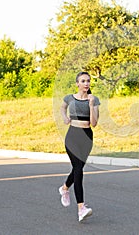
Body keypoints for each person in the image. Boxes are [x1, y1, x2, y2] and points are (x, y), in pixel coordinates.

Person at [59, 71, 100, 222]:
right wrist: (64, 117)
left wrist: (91, 105)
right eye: (83, 81)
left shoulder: (94, 100)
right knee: (78, 170)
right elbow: (62, 108)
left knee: (78, 169)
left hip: (87, 137)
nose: (86, 83)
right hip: (73, 136)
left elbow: (94, 123)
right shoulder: (70, 98)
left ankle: (64, 188)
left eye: (88, 81)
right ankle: (81, 208)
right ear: (77, 83)